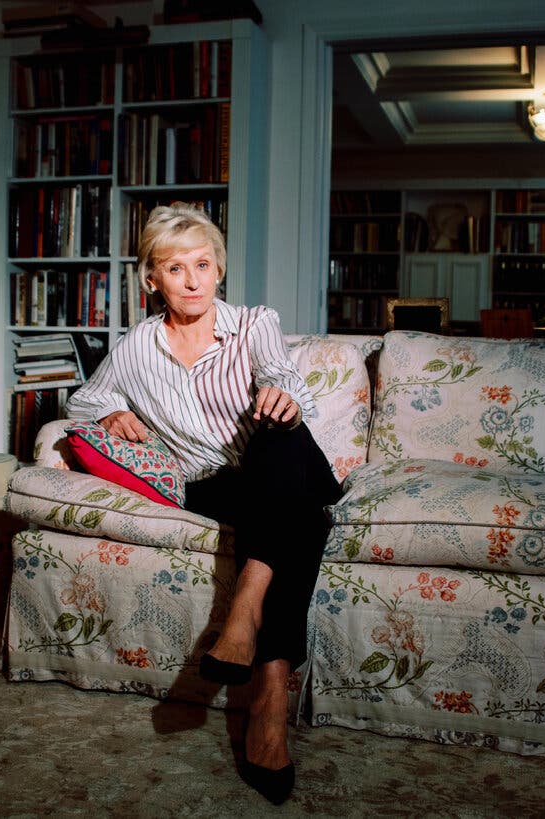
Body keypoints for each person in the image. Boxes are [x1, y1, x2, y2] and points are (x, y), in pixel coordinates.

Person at [64, 203, 341, 804]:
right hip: (216, 483)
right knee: (307, 515)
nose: (192, 280)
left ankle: (247, 621)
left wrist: (279, 393)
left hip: (280, 456)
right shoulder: (135, 348)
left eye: (203, 264)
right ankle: (269, 691)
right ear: (151, 279)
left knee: (276, 433)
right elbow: (79, 406)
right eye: (175, 268)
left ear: (219, 270)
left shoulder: (253, 322)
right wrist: (112, 411)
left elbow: (277, 372)